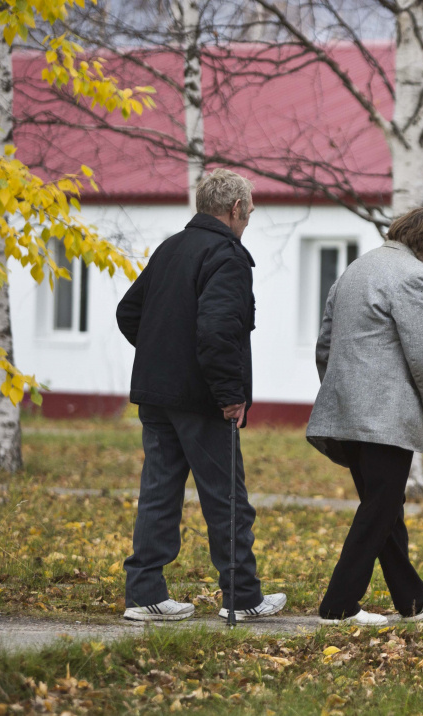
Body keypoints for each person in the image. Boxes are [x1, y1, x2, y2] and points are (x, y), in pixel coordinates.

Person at [116, 169, 285, 621]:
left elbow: (129, 312)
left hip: (157, 395)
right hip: (203, 398)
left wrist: (164, 357)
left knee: (158, 491)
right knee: (226, 497)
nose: (246, 223)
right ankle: (243, 598)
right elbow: (216, 330)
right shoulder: (227, 255)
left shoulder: (170, 248)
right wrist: (229, 393)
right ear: (235, 210)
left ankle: (145, 595)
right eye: (247, 215)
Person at [307, 207, 423, 626]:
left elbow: (325, 344)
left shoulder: (356, 269)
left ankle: (412, 599)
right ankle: (338, 605)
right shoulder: (413, 276)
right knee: (382, 505)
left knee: (385, 506)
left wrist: (340, 392)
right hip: (384, 415)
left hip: (346, 407)